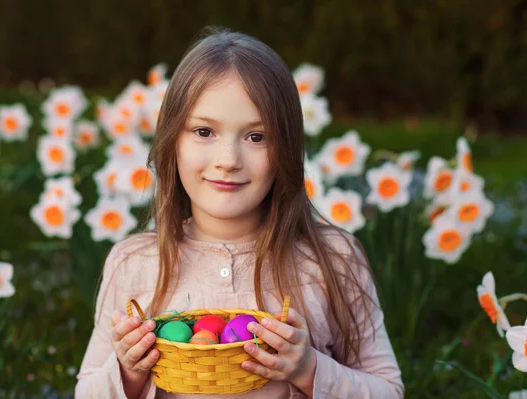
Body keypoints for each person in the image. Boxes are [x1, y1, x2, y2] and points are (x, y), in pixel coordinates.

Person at [75, 26, 404, 399]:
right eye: (203, 131)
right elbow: (87, 391)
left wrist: (307, 369)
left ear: (287, 150)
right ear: (172, 141)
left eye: (256, 137)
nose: (228, 161)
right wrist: (128, 373)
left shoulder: (333, 260)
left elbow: (388, 390)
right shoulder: (135, 263)